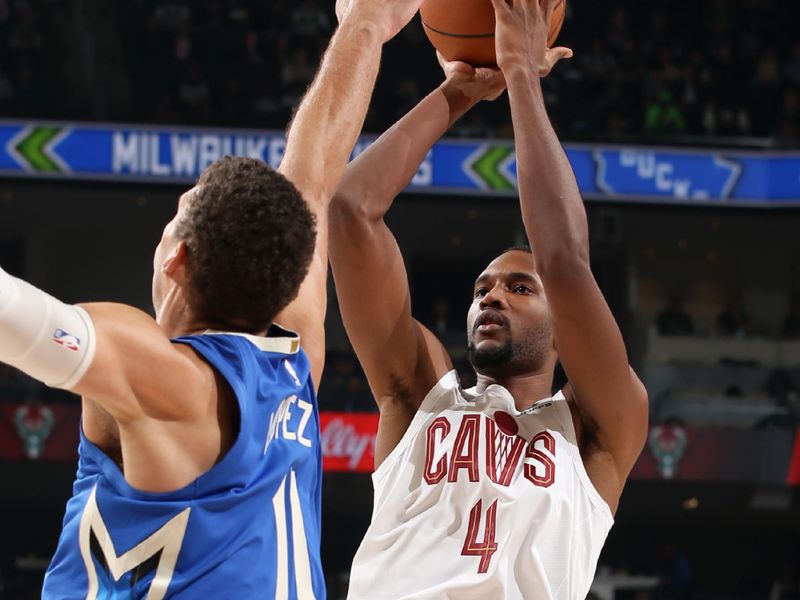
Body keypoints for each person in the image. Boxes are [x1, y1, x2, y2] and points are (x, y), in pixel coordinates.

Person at [0, 0, 428, 596]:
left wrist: (368, 24)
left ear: (175, 259)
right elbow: (313, 169)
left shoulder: (173, 382)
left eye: (175, 218)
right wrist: (367, 26)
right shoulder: (294, 357)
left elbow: (20, 320)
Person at [329, 0, 649, 597]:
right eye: (482, 289)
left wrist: (523, 74)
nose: (492, 297)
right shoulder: (420, 394)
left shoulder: (597, 428)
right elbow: (350, 212)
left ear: (564, 324)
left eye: (519, 287)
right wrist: (460, 93)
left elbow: (564, 261)